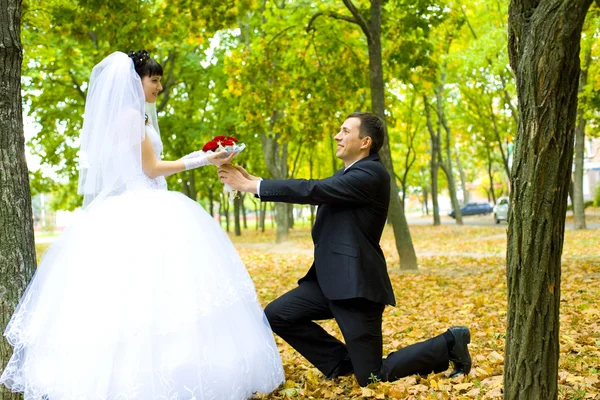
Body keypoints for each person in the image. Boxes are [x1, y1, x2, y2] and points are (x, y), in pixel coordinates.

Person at [0, 51, 284, 400]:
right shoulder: (132, 116)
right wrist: (202, 159)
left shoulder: (133, 117)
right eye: (154, 80)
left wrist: (203, 157)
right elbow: (151, 169)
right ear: (136, 81)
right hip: (144, 207)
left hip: (136, 204)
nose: (159, 87)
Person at [218, 112, 472, 387]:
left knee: (373, 376)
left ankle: (449, 343)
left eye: (345, 131)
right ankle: (342, 364)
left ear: (365, 142)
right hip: (328, 282)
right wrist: (255, 181)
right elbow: (319, 190)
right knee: (279, 315)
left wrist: (252, 185)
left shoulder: (371, 174)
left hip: (356, 288)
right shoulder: (350, 174)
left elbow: (312, 189)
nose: (337, 136)